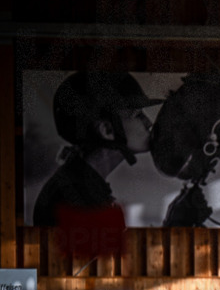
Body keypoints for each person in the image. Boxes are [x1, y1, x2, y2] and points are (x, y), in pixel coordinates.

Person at [32, 72, 160, 227]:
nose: (148, 123)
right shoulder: (79, 198)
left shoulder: (80, 186)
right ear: (107, 130)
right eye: (138, 115)